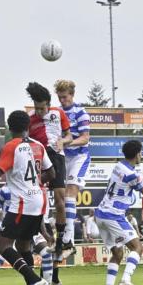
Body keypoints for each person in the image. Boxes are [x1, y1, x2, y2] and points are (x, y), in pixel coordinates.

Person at [0, 110, 55, 285]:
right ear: (27, 127)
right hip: (39, 201)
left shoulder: (11, 146)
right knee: (24, 247)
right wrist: (35, 182)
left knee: (3, 246)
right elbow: (52, 174)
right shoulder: (39, 145)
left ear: (10, 127)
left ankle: (35, 281)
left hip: (22, 204)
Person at [96, 140, 143, 285]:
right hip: (113, 215)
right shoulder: (132, 174)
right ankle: (126, 280)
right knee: (138, 248)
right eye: (141, 152)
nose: (141, 155)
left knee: (117, 253)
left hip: (101, 214)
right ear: (137, 154)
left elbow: (134, 182)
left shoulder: (118, 166)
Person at [26, 82, 72, 259]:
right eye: (36, 108)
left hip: (56, 157)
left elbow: (69, 136)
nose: (39, 111)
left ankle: (60, 242)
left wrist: (63, 142)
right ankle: (38, 237)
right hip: (39, 160)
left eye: (42, 108)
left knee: (60, 200)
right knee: (35, 199)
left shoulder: (58, 113)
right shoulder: (30, 118)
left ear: (48, 104)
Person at [54, 80, 91, 255]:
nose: (62, 100)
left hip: (79, 156)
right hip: (63, 157)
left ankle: (68, 236)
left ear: (72, 95)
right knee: (60, 196)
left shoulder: (80, 112)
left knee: (70, 192)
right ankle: (65, 239)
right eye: (60, 97)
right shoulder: (56, 113)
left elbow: (85, 138)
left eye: (65, 97)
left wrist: (67, 143)